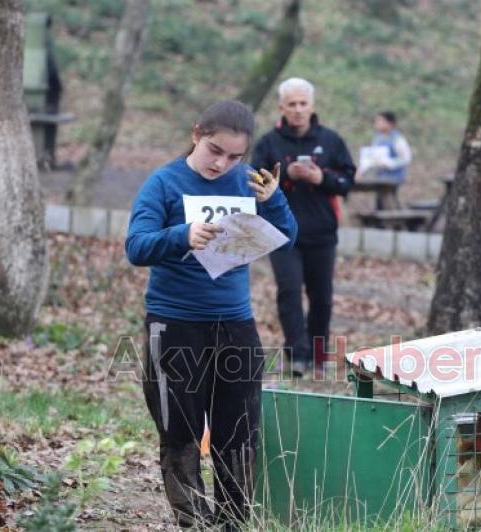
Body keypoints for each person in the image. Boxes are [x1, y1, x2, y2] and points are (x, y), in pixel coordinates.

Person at [126, 100, 297, 528]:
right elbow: (137, 246)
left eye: (235, 157)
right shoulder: (163, 184)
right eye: (215, 151)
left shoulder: (249, 183)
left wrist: (273, 202)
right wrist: (182, 235)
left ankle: (234, 523)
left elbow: (288, 238)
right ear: (196, 134)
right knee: (180, 431)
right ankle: (194, 523)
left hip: (235, 324)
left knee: (238, 433)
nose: (223, 164)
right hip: (175, 324)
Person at [251, 77, 356, 376]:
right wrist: (284, 179)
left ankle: (319, 355)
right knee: (289, 290)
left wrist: (320, 178)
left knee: (321, 296)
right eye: (292, 104)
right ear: (281, 107)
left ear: (312, 106)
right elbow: (253, 184)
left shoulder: (331, 141)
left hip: (322, 233)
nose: (297, 110)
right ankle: (297, 355)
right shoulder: (268, 143)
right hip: (281, 234)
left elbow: (349, 181)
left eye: (303, 104)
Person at [358, 111, 412, 184]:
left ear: (390, 123)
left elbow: (406, 158)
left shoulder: (397, 139)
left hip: (395, 178)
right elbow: (372, 157)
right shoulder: (377, 139)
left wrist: (389, 163)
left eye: (380, 121)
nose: (377, 124)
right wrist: (362, 170)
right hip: (381, 178)